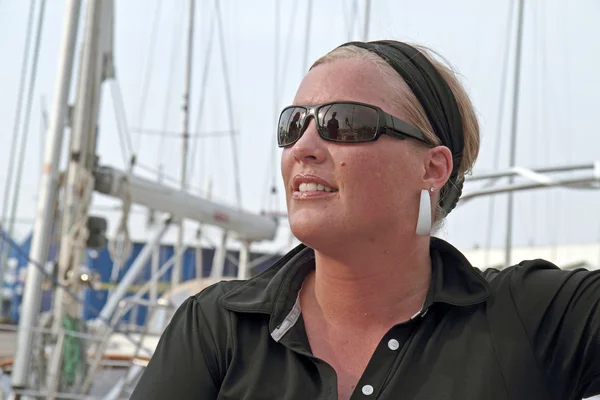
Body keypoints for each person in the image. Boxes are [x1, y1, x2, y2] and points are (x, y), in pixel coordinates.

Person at [130, 40, 600, 400]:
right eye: (294, 124)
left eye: (343, 124)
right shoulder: (219, 328)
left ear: (432, 169)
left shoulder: (530, 318)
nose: (303, 148)